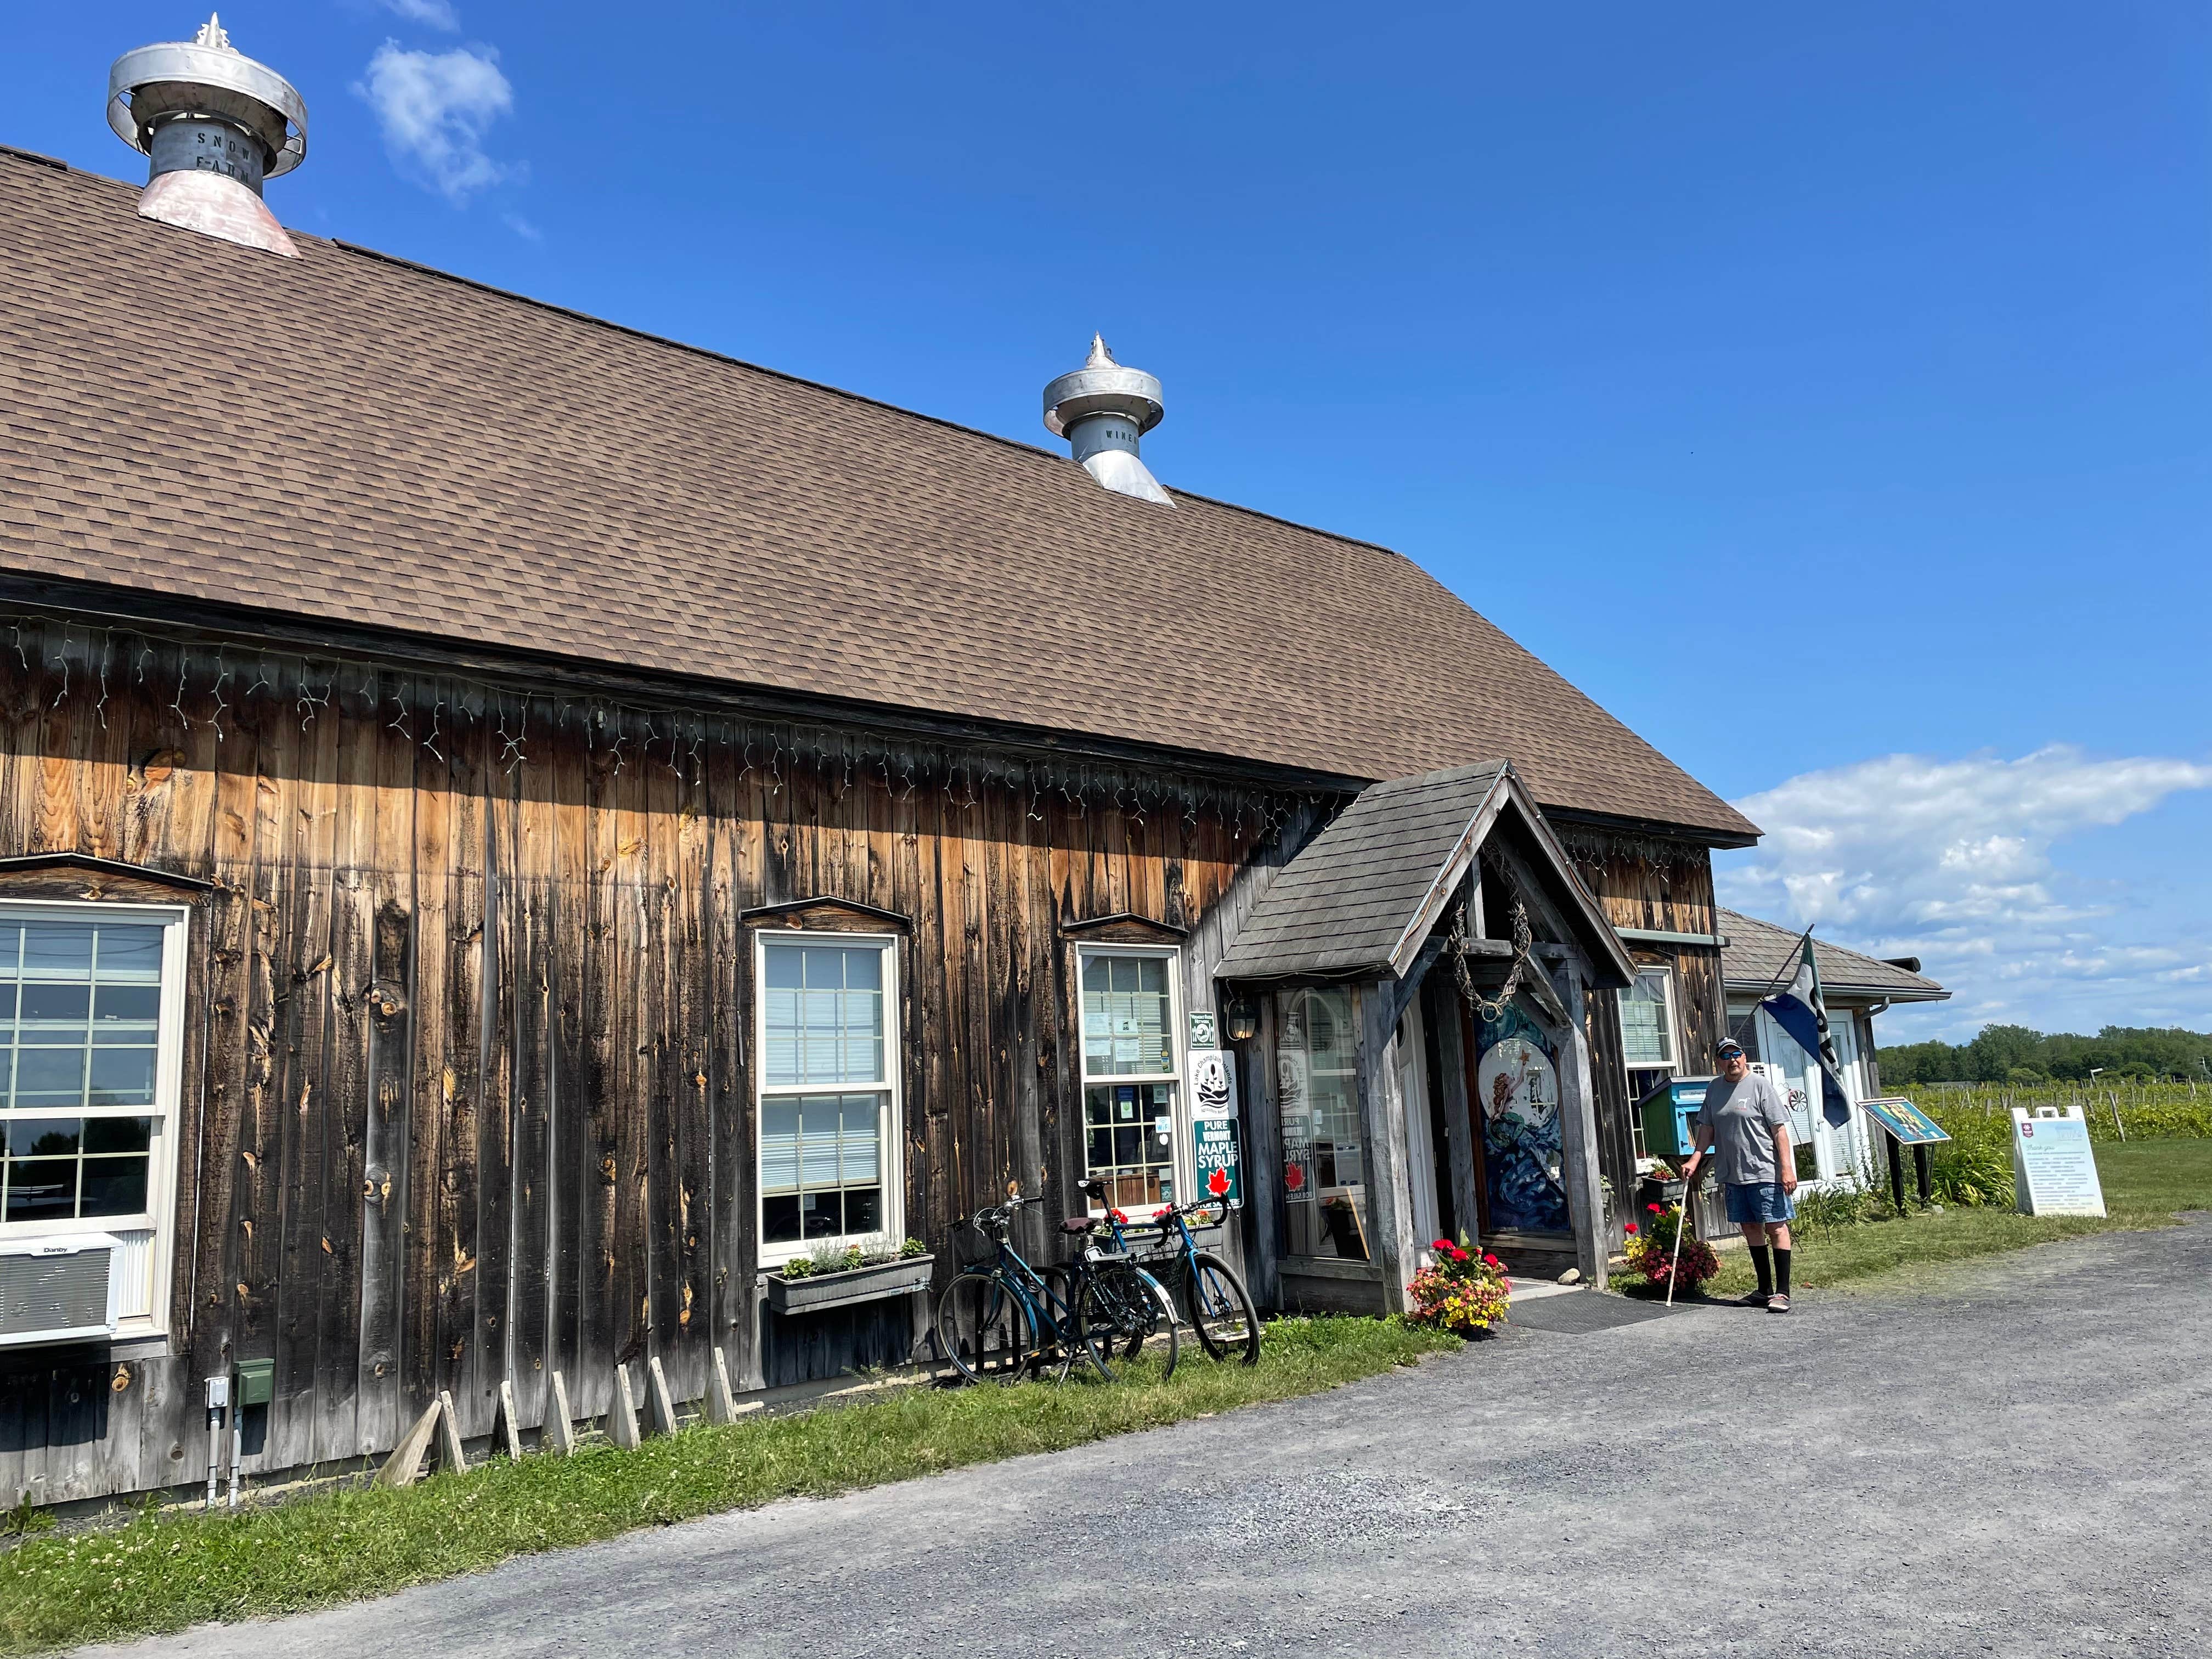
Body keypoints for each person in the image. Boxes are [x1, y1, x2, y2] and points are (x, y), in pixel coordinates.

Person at [1680, 1036, 1798, 1312]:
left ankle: (1782, 1293)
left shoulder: (1760, 1086)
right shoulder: (1714, 1089)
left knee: (1776, 1225)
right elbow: (1707, 1128)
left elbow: (1779, 1129)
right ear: (1719, 1062)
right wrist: (1695, 1159)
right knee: (1749, 1227)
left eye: (1737, 1054)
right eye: (1726, 1056)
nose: (1732, 1059)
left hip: (1765, 1171)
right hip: (1733, 1173)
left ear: (1744, 1057)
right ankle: (1763, 1290)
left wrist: (1787, 1167)